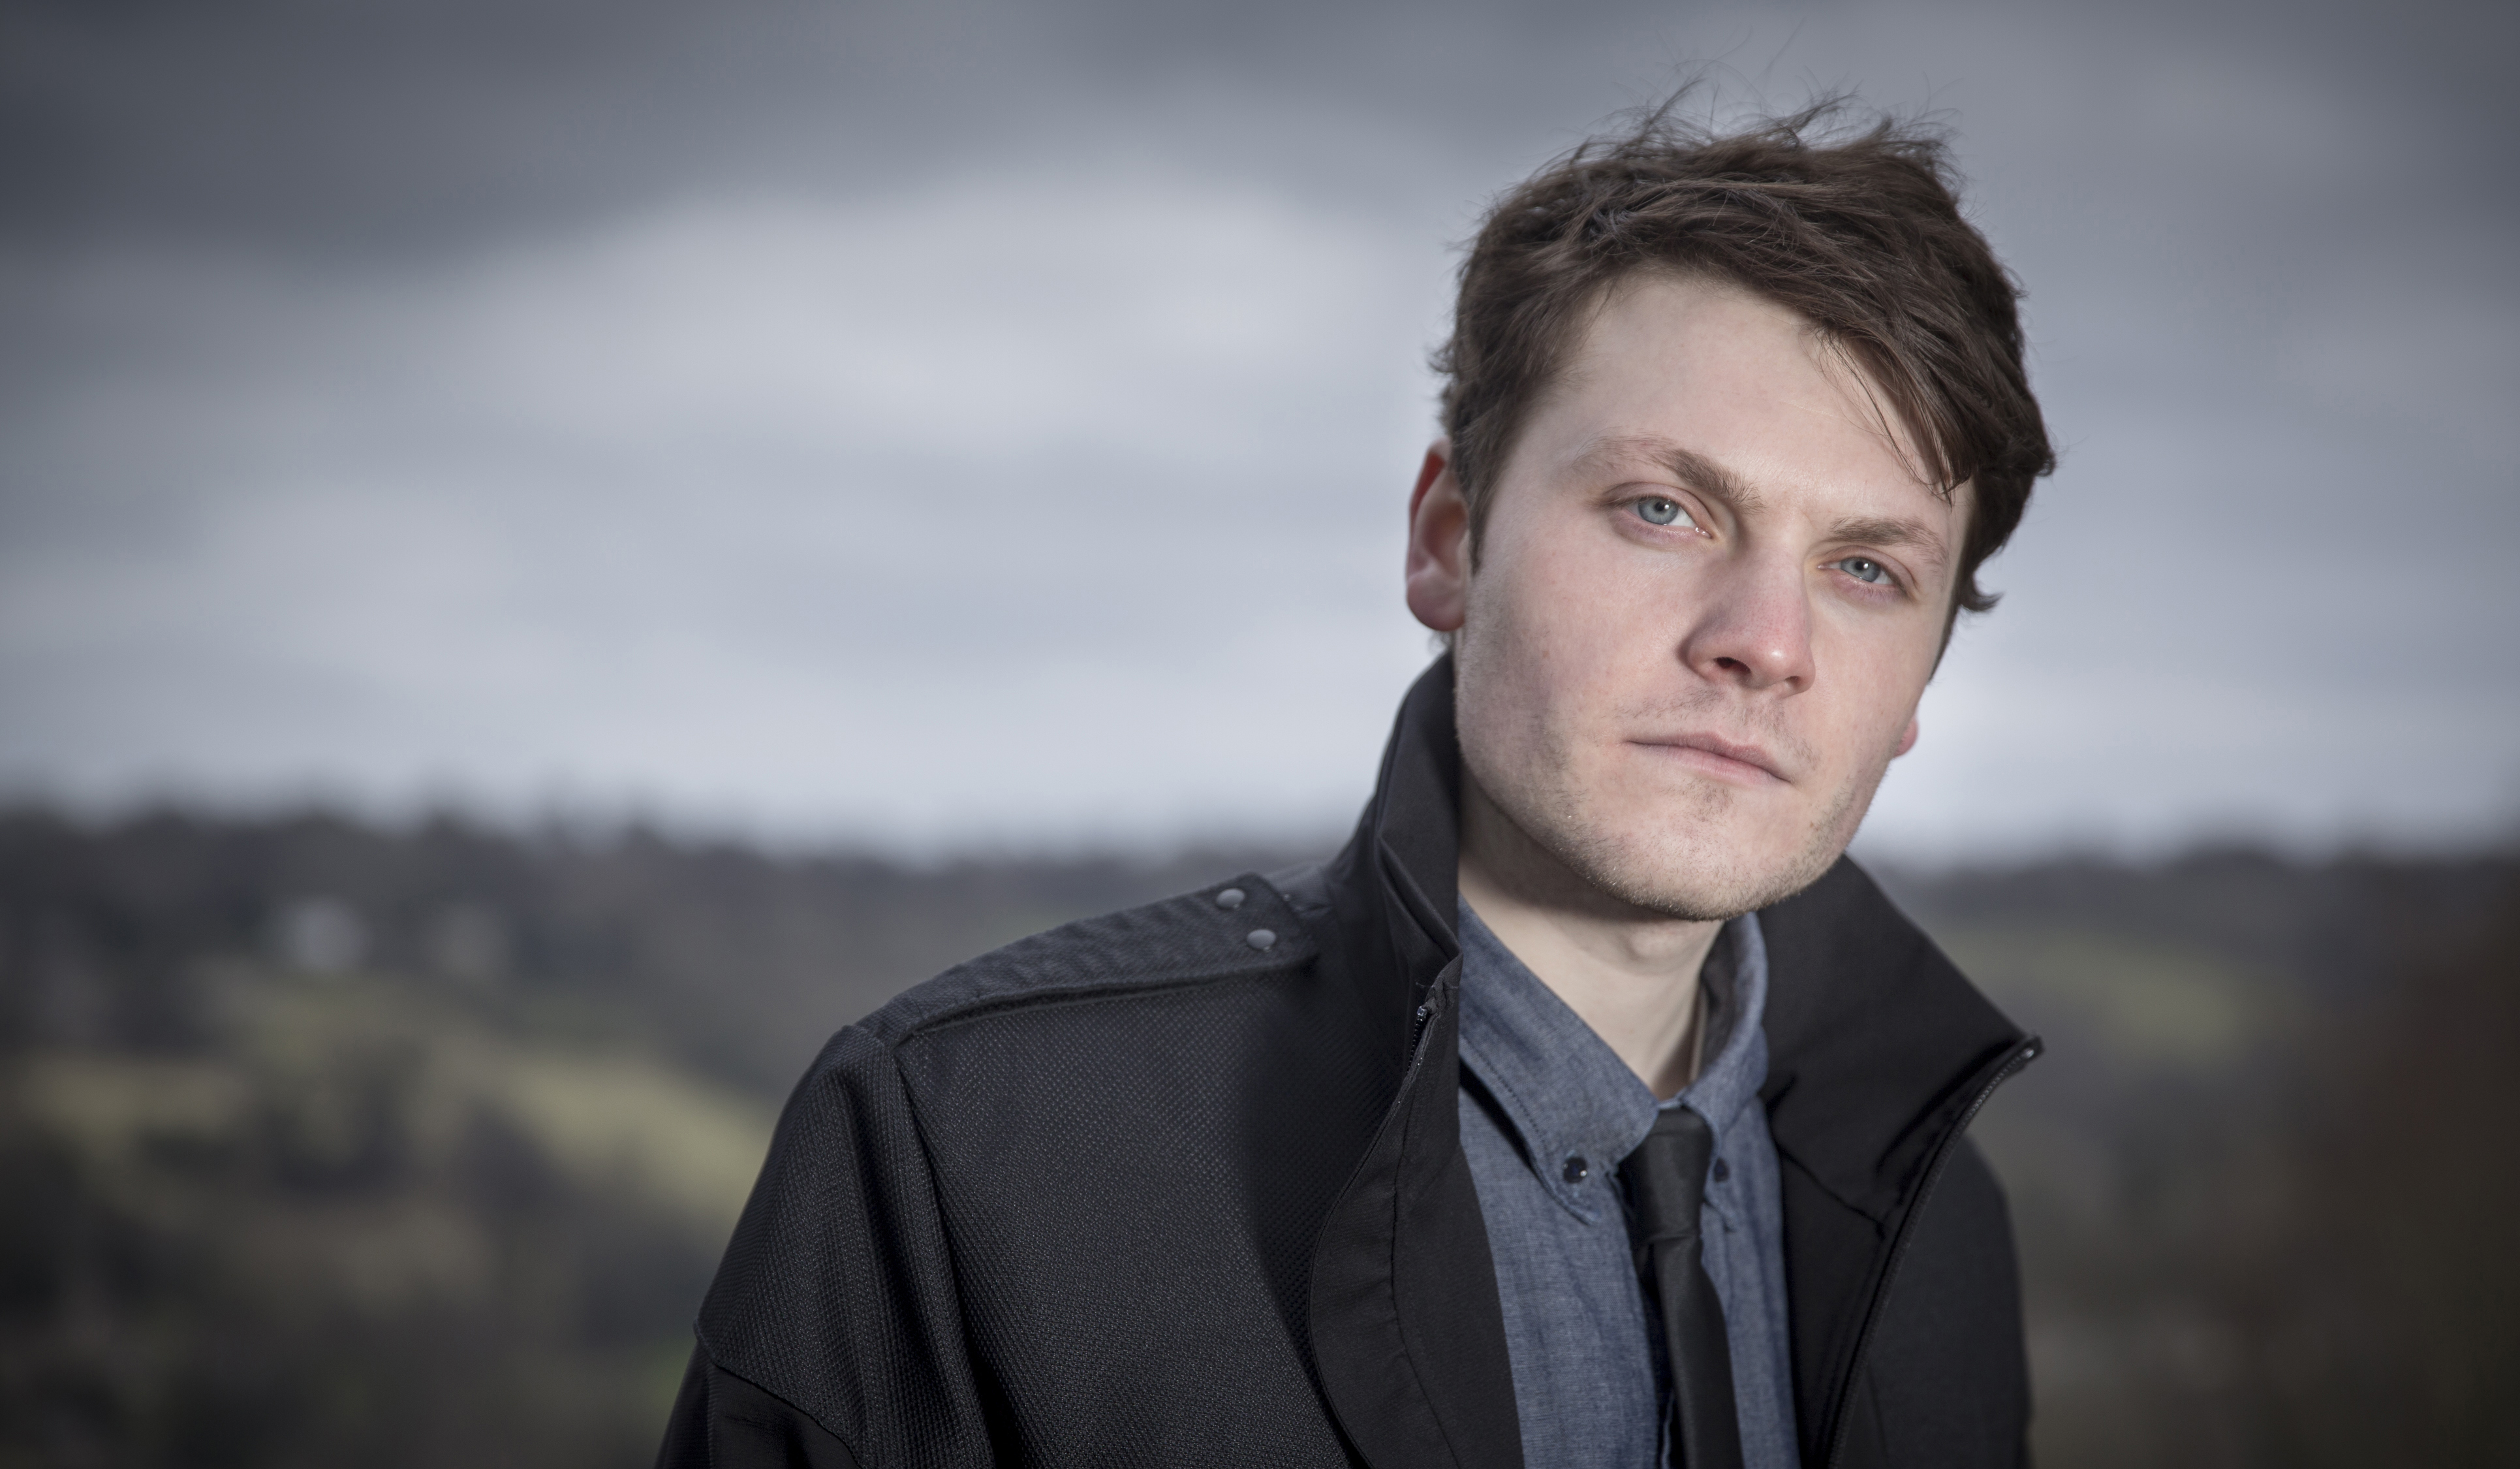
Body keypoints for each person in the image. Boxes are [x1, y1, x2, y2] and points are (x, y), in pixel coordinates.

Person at [659, 102, 2055, 1469]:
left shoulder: (1944, 1236)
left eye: (1865, 569)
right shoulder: (964, 1157)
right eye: (1662, 508)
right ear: (1449, 542)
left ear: (1920, 684)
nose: (1762, 640)